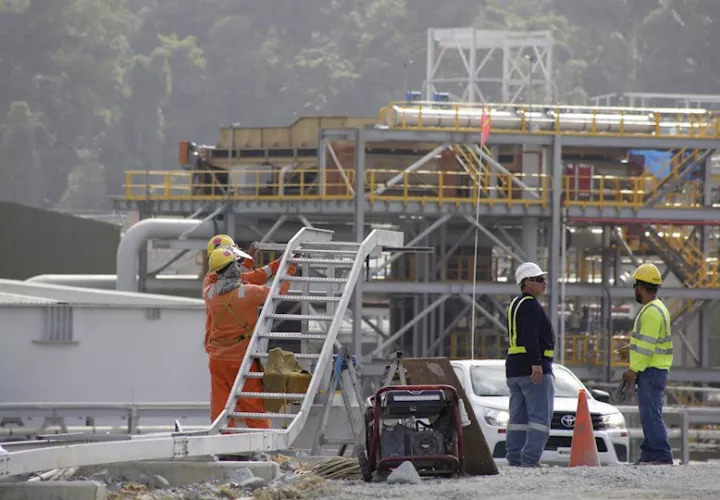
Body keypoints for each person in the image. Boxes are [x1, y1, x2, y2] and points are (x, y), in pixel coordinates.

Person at [203, 246, 297, 429]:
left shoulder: (209, 294)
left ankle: (223, 446)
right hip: (242, 360)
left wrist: (251, 261)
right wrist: (290, 265)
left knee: (220, 407)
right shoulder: (249, 293)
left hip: (217, 360)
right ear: (233, 268)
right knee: (252, 407)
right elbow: (280, 291)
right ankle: (261, 446)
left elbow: (217, 277)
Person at [505, 261, 556, 468]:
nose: (545, 283)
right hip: (533, 370)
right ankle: (530, 459)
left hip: (514, 369)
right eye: (539, 280)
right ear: (527, 283)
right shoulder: (531, 305)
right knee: (539, 417)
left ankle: (515, 457)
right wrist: (537, 364)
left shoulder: (515, 304)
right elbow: (530, 335)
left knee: (518, 418)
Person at [622, 263, 673, 465]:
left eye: (635, 285)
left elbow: (647, 346)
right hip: (654, 369)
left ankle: (661, 454)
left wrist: (633, 369)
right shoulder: (658, 308)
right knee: (649, 413)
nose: (635, 290)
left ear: (641, 287)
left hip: (651, 370)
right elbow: (646, 342)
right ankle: (650, 453)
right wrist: (631, 348)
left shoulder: (651, 312)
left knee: (651, 414)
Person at [203, 234, 284, 353]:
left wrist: (249, 258)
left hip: (219, 344)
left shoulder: (213, 278)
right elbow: (252, 277)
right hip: (231, 344)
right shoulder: (217, 280)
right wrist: (282, 263)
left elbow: (239, 276)